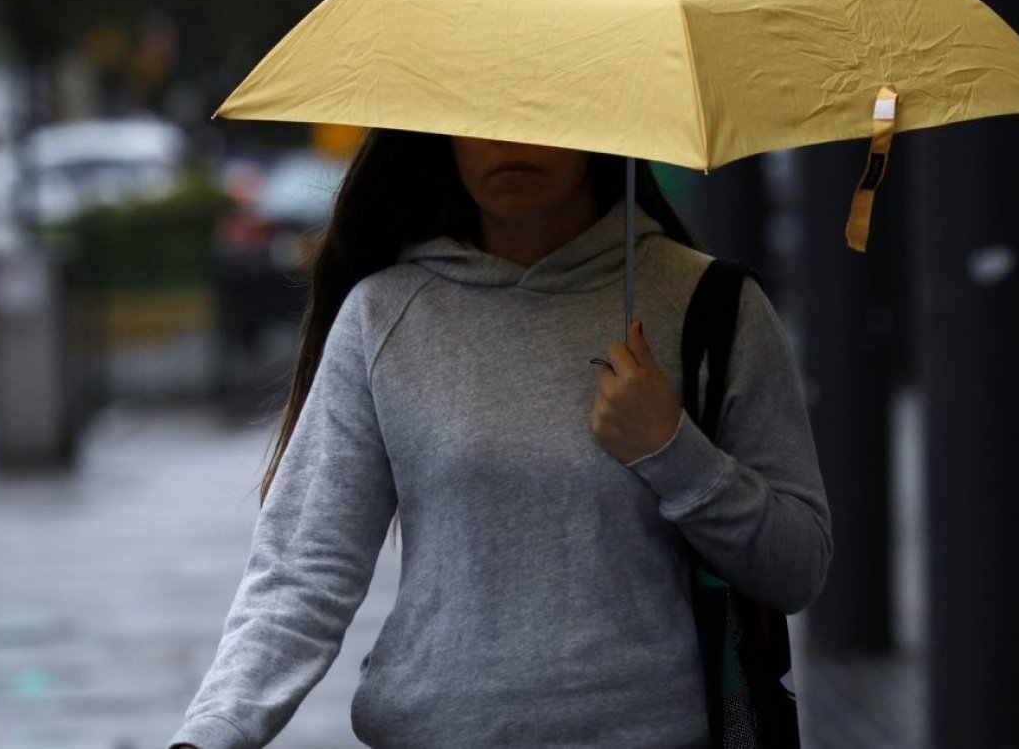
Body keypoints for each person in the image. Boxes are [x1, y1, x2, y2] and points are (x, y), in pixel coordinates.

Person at [169, 129, 832, 748]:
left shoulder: (714, 307)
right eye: (483, 112)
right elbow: (300, 576)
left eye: (539, 105)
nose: (507, 139)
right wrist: (211, 732)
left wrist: (673, 451)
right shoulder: (383, 315)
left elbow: (797, 565)